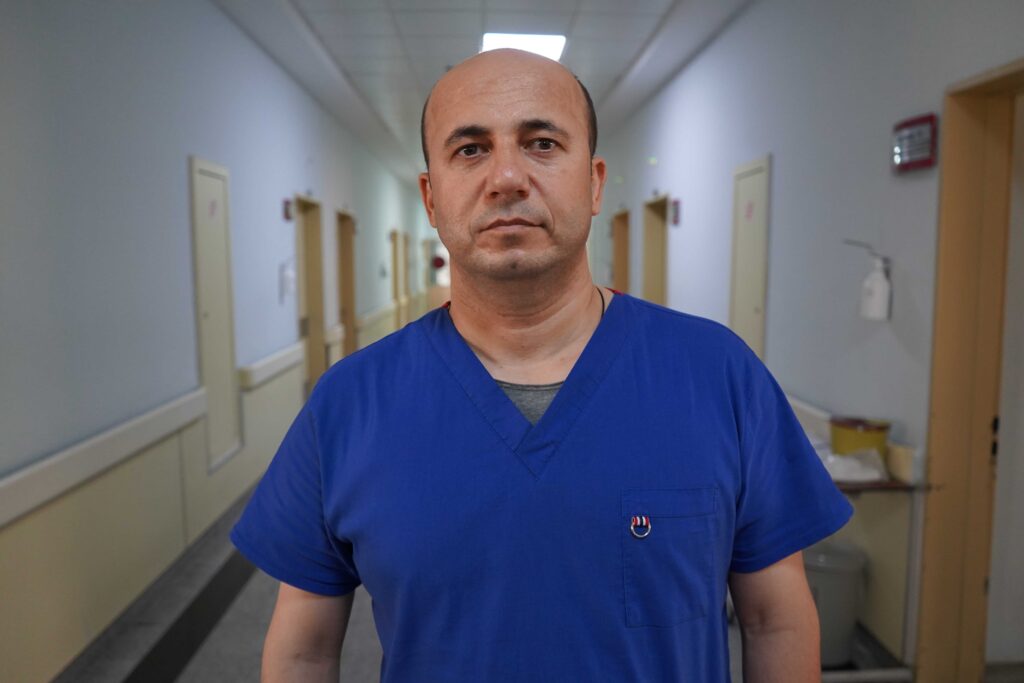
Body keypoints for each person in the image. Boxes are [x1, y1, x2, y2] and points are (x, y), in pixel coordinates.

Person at [231, 48, 852, 682]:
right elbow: (304, 650)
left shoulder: (719, 376)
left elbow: (774, 620)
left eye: (542, 144)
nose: (507, 177)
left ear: (594, 183)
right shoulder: (349, 404)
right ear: (430, 197)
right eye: (470, 149)